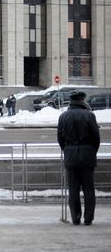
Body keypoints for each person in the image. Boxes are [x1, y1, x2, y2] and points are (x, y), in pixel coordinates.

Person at [57, 90, 100, 226]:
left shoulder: (63, 117)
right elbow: (96, 138)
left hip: (71, 156)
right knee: (89, 189)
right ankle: (88, 218)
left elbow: (60, 139)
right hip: (87, 156)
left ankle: (76, 218)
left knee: (73, 189)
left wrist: (68, 150)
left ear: (71, 101)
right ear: (82, 100)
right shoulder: (90, 116)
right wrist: (91, 151)